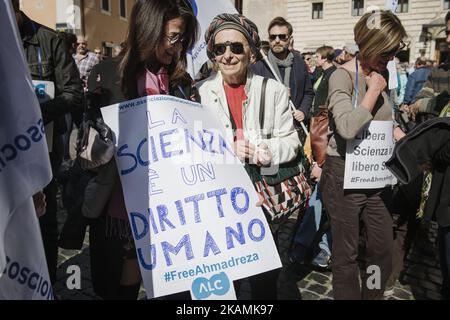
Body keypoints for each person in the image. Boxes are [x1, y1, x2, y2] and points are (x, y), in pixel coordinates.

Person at [86, 0, 199, 300]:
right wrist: (100, 148)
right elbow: (85, 142)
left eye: (182, 39)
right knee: (121, 279)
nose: (177, 47)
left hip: (167, 207)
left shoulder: (181, 81)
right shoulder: (107, 73)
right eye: (173, 36)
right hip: (119, 205)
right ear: (148, 28)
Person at [198, 13, 302, 299]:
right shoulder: (199, 95)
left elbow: (292, 142)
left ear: (252, 52)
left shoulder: (275, 92)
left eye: (236, 47)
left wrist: (264, 152)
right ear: (212, 53)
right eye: (220, 49)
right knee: (222, 278)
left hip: (261, 199)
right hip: (217, 200)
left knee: (263, 279)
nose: (228, 55)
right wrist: (225, 148)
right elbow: (193, 147)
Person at [321, 10, 407, 299]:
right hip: (343, 171)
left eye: (394, 51)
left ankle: (371, 296)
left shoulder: (381, 74)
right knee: (345, 254)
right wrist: (372, 92)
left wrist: (403, 139)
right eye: (386, 51)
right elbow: (346, 126)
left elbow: (386, 121)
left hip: (376, 174)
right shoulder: (340, 76)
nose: (391, 58)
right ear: (368, 44)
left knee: (381, 249)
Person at [12, 0, 83, 285]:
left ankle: (47, 285)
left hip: (40, 151)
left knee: (44, 221)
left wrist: (34, 113)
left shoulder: (48, 40)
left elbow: (74, 93)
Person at [252, 17, 314, 126]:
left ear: (290, 39)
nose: (277, 40)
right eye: (273, 37)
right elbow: (253, 99)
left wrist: (303, 111)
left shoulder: (299, 63)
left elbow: (308, 92)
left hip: (296, 126)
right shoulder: (259, 67)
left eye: (282, 37)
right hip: (270, 129)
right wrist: (278, 93)